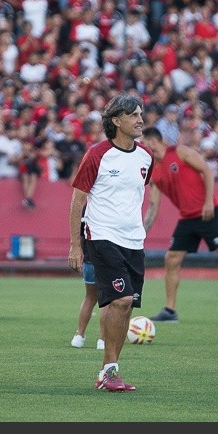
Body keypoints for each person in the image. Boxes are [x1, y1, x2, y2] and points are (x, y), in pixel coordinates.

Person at [67, 93, 153, 392]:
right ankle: (109, 370)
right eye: (133, 115)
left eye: (141, 113)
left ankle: (109, 371)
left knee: (125, 306)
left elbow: (138, 193)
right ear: (116, 120)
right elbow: (78, 199)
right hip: (101, 235)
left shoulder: (146, 156)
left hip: (134, 240)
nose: (140, 119)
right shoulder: (97, 154)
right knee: (121, 300)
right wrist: (76, 245)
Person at [140, 126, 218, 324]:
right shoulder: (154, 170)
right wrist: (140, 233)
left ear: (152, 142)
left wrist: (209, 201)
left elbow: (207, 170)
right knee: (172, 259)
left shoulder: (179, 152)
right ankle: (170, 310)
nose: (141, 147)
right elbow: (153, 206)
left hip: (208, 212)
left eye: (143, 143)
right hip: (187, 217)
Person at [71, 203, 106, 350]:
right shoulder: (109, 205)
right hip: (106, 259)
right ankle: (102, 340)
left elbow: (79, 235)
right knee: (107, 301)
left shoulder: (86, 207)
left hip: (89, 259)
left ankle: (79, 336)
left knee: (89, 298)